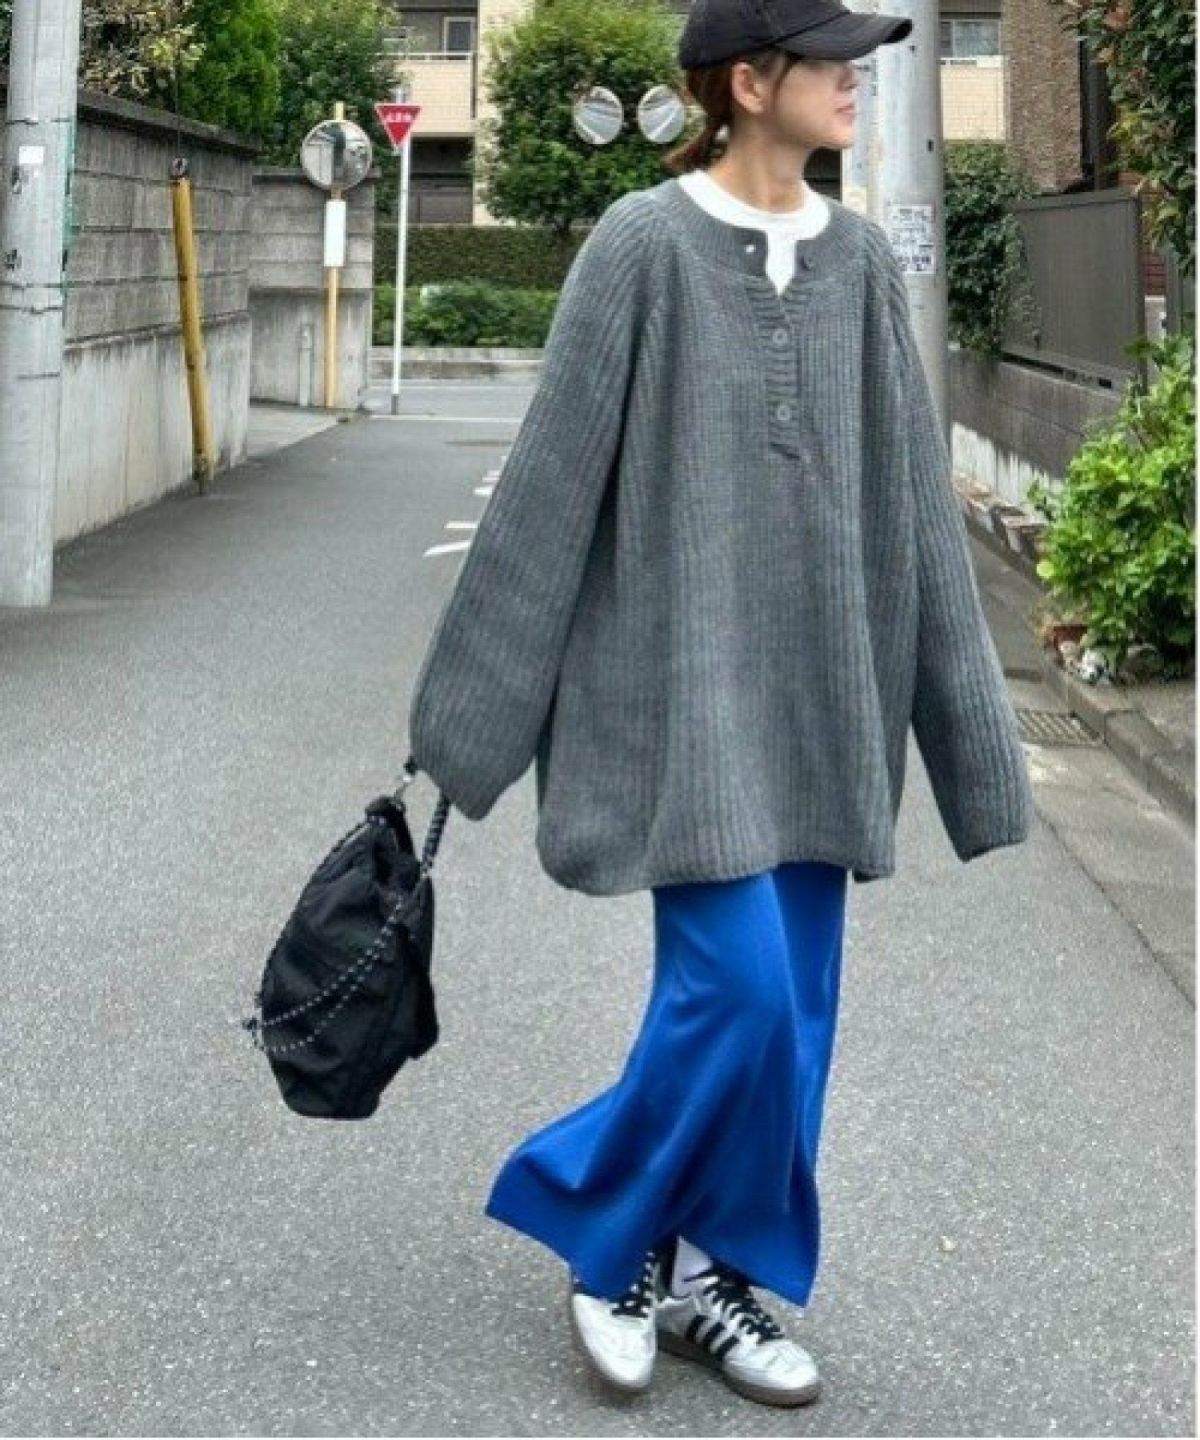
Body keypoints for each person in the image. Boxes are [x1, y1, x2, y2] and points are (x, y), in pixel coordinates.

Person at [406, 0, 1034, 1411]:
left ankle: (715, 1275)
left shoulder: (859, 264)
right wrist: (466, 727)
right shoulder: (642, 246)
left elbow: (917, 514)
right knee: (739, 995)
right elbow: (552, 489)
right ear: (750, 81)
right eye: (832, 61)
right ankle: (603, 1229)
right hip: (679, 715)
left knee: (794, 1018)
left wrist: (974, 753)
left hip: (827, 709)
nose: (857, 82)